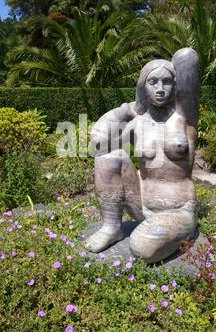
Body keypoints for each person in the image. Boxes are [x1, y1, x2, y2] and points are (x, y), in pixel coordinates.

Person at [85, 47, 199, 264]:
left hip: (178, 210)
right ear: (142, 87)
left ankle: (176, 231)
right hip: (141, 206)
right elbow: (98, 144)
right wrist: (128, 109)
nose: (160, 88)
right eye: (152, 82)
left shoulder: (185, 117)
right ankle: (112, 227)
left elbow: (188, 58)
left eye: (167, 81)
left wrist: (170, 69)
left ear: (176, 86)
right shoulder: (138, 122)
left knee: (142, 247)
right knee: (108, 157)